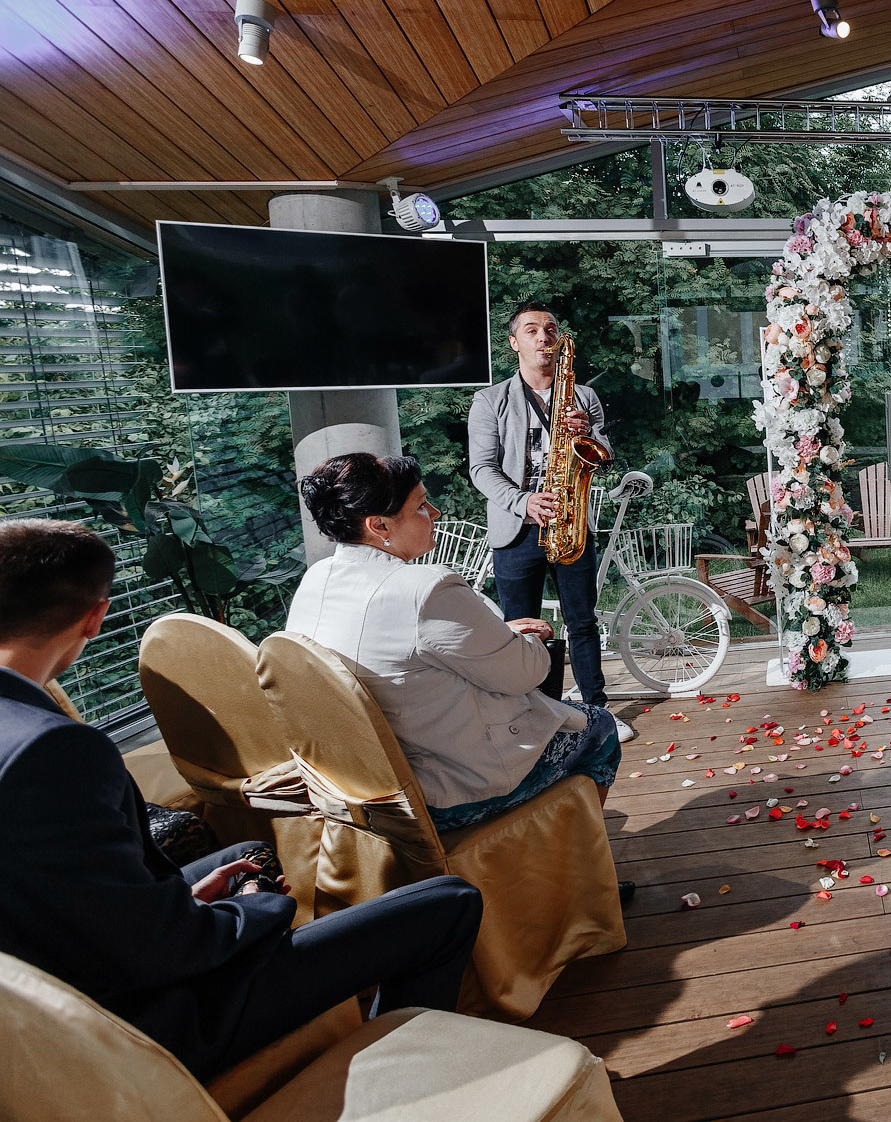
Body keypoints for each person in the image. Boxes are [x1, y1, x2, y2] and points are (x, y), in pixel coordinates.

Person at [0, 518, 482, 1080]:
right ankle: (405, 1084)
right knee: (448, 902)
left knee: (245, 853)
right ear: (95, 617)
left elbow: (63, 895)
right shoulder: (51, 750)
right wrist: (255, 907)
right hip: (142, 1025)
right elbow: (155, 951)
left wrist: (182, 898)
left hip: (63, 972)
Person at [286, 453, 625, 836]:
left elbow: (400, 651)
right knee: (599, 727)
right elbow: (525, 673)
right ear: (379, 525)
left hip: (359, 787)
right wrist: (524, 638)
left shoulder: (316, 579)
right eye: (420, 506)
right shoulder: (426, 589)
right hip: (445, 792)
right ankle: (578, 867)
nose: (436, 512)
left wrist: (490, 633)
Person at [468, 302, 631, 743]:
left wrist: (588, 434)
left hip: (572, 522)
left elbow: (604, 455)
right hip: (517, 527)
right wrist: (524, 502)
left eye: (551, 330)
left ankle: (597, 710)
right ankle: (529, 719)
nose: (544, 337)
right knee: (520, 629)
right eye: (532, 330)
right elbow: (481, 469)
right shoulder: (490, 400)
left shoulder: (585, 397)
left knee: (582, 622)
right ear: (514, 341)